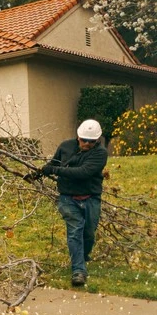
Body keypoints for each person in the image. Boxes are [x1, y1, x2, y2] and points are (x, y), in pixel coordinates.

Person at [35, 119, 108, 287]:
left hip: (91, 197)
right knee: (75, 232)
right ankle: (78, 272)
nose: (87, 144)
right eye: (84, 140)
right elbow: (53, 163)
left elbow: (83, 173)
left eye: (91, 141)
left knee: (88, 234)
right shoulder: (65, 146)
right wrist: (39, 173)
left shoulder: (100, 153)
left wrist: (54, 170)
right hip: (68, 197)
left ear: (97, 140)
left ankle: (82, 257)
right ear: (78, 136)